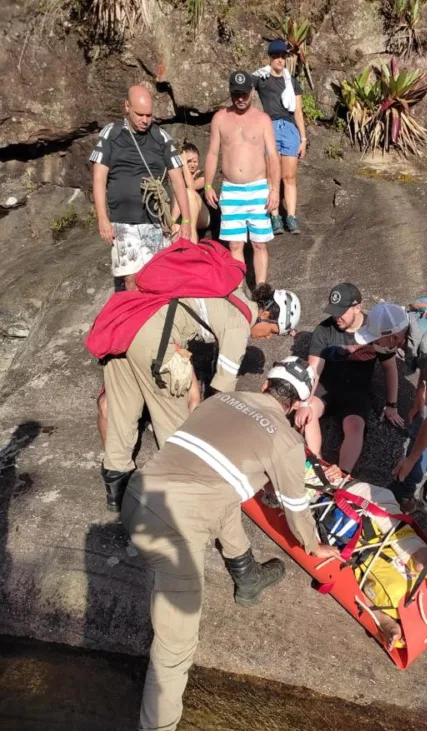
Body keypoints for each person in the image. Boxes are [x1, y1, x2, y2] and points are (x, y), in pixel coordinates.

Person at [122, 356, 340, 731]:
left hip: (137, 497)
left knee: (223, 496)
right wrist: (316, 546)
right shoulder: (285, 439)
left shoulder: (218, 403)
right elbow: (297, 512)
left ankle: (247, 576)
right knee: (174, 650)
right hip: (174, 532)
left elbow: (217, 474)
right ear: (301, 404)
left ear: (265, 383)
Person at [101, 283, 302, 511]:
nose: (267, 337)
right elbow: (220, 396)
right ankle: (179, 498)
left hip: (130, 324)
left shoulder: (232, 292)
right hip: (157, 341)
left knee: (122, 413)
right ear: (265, 313)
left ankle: (116, 494)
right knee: (174, 426)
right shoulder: (239, 327)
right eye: (273, 331)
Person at [354, 301, 427, 513]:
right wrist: (420, 393)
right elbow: (421, 356)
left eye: (375, 340)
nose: (373, 345)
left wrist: (410, 459)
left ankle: (405, 492)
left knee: (424, 429)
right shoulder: (410, 316)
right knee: (424, 419)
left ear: (394, 338)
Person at [90, 85, 192, 291]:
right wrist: (102, 218)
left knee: (157, 276)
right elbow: (99, 178)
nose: (145, 120)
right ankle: (138, 320)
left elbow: (178, 180)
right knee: (131, 279)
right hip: (123, 221)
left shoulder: (161, 137)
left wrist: (186, 220)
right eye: (140, 114)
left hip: (155, 220)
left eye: (149, 115)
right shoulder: (111, 134)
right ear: (127, 106)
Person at [295, 284, 404, 475]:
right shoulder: (324, 330)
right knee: (308, 411)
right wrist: (304, 402)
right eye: (334, 312)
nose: (337, 317)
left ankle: (343, 473)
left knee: (355, 426)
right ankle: (317, 466)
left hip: (356, 389)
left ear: (357, 307)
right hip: (327, 385)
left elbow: (389, 368)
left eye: (342, 312)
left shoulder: (375, 328)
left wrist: (392, 405)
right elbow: (315, 368)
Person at [203, 71, 280, 285]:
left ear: (252, 92)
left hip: (258, 188)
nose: (240, 98)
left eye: (244, 94)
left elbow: (273, 156)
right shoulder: (220, 118)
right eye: (236, 93)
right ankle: (238, 290)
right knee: (235, 245)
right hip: (231, 190)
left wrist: (275, 190)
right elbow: (212, 153)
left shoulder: (263, 119)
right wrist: (208, 185)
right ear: (230, 91)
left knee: (259, 244)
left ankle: (261, 289)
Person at [252, 39, 306, 235]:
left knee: (289, 176)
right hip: (270, 127)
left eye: (282, 56)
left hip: (290, 128)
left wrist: (303, 139)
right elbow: (244, 92)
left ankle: (291, 217)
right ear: (270, 58)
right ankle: (274, 216)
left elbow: (298, 111)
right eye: (275, 56)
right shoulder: (261, 78)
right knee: (271, 175)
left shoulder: (291, 82)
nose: (279, 60)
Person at [171, 142, 210, 242]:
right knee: (175, 228)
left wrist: (183, 162)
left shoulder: (202, 175)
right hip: (182, 217)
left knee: (188, 192)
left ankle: (193, 241)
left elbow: (191, 186)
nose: (193, 165)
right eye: (189, 161)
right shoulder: (177, 176)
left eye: (195, 161)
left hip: (203, 216)